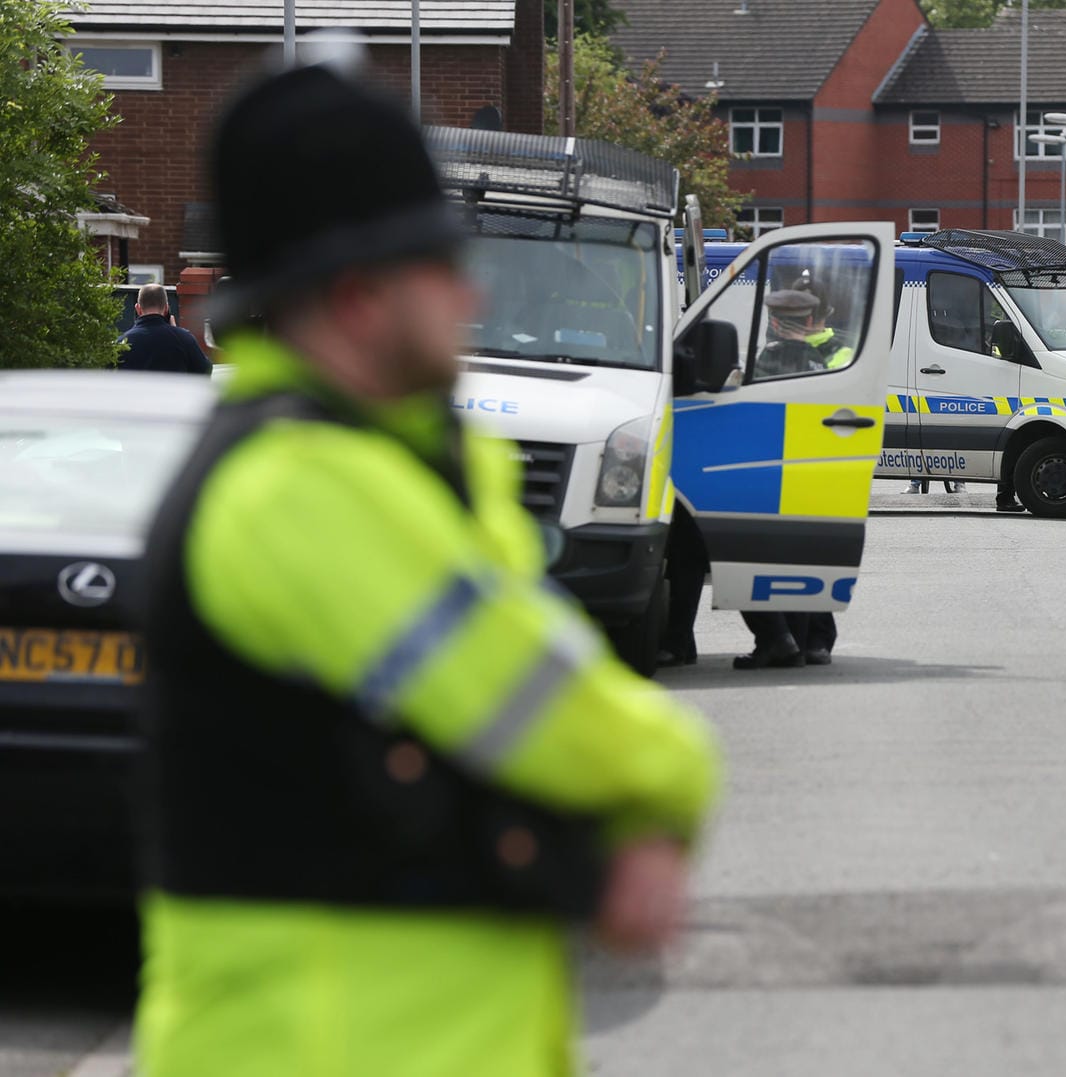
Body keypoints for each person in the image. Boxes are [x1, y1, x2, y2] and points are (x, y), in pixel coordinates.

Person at [134, 65, 720, 1077]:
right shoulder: (301, 486)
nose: (472, 291)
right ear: (359, 295)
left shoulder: (383, 460)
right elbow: (528, 695)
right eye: (441, 264)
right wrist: (671, 780)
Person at [118, 283, 213, 374]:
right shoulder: (184, 339)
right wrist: (177, 333)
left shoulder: (122, 343)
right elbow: (205, 370)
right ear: (166, 308)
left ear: (138, 308)